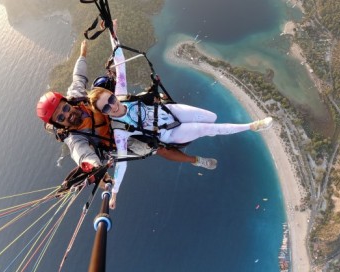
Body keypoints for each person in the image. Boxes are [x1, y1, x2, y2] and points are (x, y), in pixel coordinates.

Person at [36, 30, 216, 188]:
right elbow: (82, 154)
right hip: (119, 137)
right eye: (61, 118)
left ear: (68, 102)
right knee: (156, 147)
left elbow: (78, 76)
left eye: (65, 109)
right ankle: (196, 161)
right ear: (60, 125)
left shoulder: (76, 97)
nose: (68, 115)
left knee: (120, 89)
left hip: (113, 111)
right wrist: (95, 168)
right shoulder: (74, 137)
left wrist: (82, 54)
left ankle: (177, 115)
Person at [88, 87, 273, 209]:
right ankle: (253, 126)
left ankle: (207, 135)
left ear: (113, 94)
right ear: (103, 113)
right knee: (207, 128)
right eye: (106, 108)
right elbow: (122, 163)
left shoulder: (122, 95)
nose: (113, 105)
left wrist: (114, 33)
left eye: (111, 99)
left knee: (212, 117)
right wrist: (114, 193)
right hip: (168, 133)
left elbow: (120, 62)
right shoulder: (119, 130)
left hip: (168, 111)